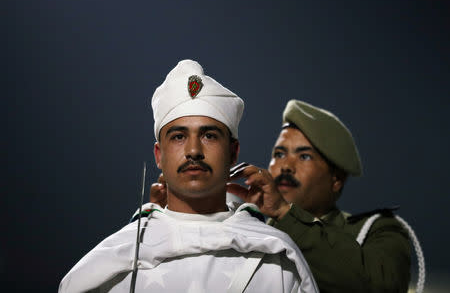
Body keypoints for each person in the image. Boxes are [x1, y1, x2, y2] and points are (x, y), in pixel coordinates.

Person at [59, 61, 318, 293]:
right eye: (179, 137)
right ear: (159, 155)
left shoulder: (279, 257)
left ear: (233, 152)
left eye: (209, 136)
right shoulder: (107, 266)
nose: (194, 151)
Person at [149, 99, 413, 292]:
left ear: (336, 179)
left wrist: (285, 214)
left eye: (304, 155)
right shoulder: (249, 230)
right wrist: (173, 221)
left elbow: (380, 286)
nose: (285, 166)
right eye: (279, 154)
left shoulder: (376, 231)